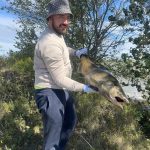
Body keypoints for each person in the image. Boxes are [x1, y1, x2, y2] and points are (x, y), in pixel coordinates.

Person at [34, 0, 97, 149]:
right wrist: (86, 88)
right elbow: (60, 79)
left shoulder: (56, 35)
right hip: (49, 91)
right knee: (53, 137)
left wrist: (76, 52)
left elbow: (62, 48)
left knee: (70, 121)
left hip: (60, 89)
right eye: (61, 17)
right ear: (50, 18)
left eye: (68, 17)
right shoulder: (48, 43)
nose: (66, 22)